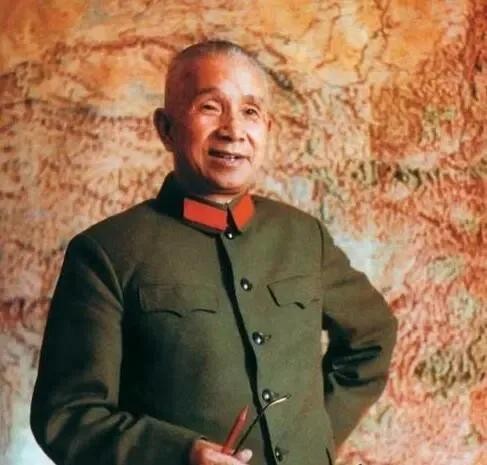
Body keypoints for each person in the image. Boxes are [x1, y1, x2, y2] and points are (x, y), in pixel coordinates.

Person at [30, 40, 398, 465]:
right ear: (166, 128)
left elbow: (373, 336)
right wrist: (180, 454)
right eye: (210, 107)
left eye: (250, 111)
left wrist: (315, 440)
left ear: (268, 129)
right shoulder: (106, 253)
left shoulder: (303, 236)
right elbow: (67, 415)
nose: (233, 130)